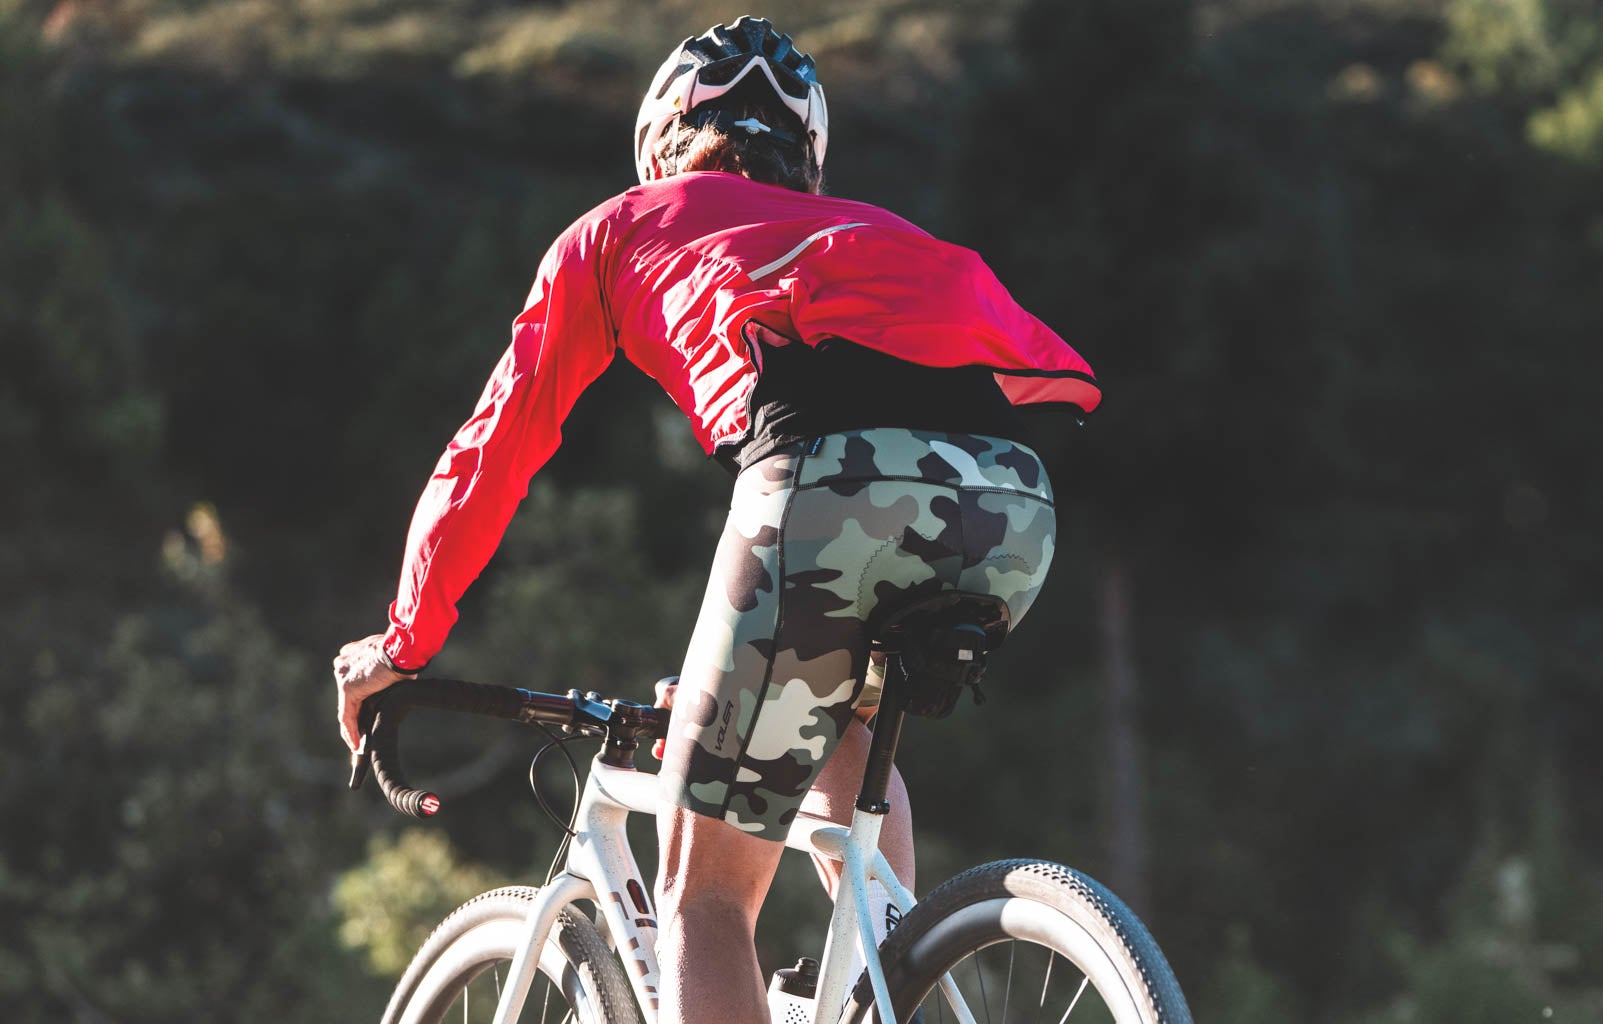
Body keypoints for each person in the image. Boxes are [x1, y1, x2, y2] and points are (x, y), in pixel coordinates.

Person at [328, 15, 1098, 1024]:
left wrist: (402, 640)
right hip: (1014, 503)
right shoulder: (877, 234)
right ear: (807, 160)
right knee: (845, 728)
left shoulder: (618, 230)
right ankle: (893, 989)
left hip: (828, 483)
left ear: (658, 144)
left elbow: (492, 451)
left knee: (703, 893)